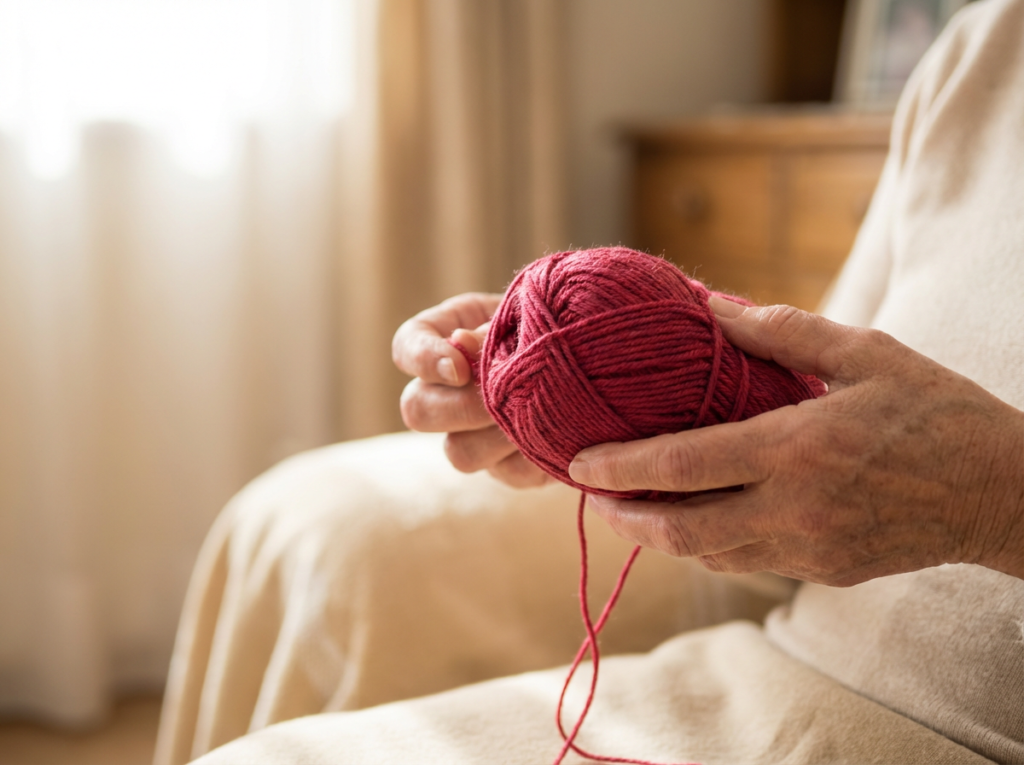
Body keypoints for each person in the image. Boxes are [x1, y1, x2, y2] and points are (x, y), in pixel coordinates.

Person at [156, 1, 1024, 763]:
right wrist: (602, 381)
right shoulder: (983, 49)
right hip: (808, 643)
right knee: (308, 527)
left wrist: (992, 496)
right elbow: (812, 388)